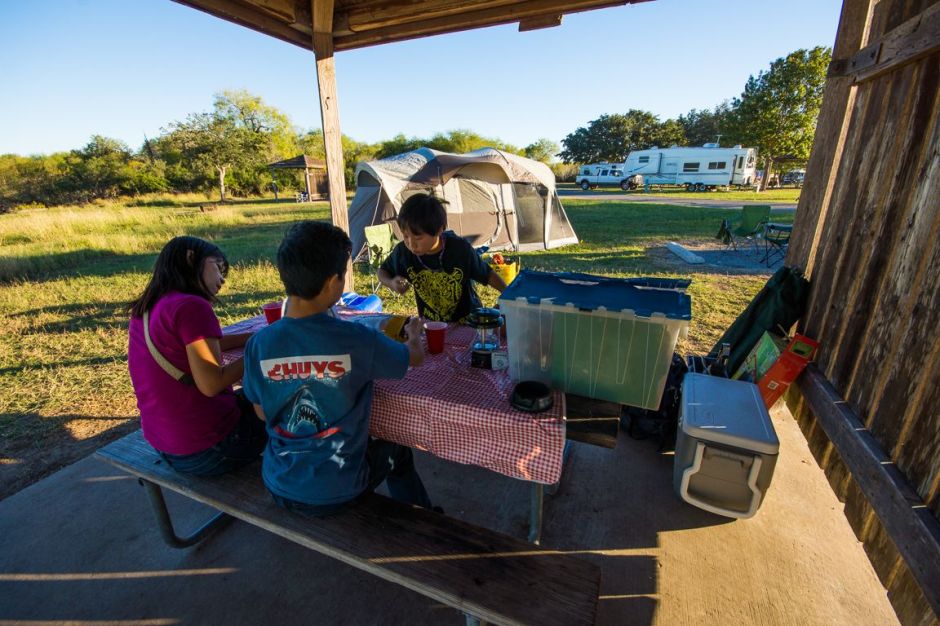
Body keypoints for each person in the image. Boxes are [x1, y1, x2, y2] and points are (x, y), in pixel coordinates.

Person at [242, 220, 433, 516]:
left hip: (279, 482)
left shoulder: (259, 343)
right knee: (398, 452)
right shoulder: (357, 340)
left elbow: (261, 411)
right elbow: (413, 359)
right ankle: (425, 520)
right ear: (333, 283)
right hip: (340, 488)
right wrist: (416, 334)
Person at [127, 236, 267, 476]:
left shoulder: (149, 307)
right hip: (210, 449)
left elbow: (203, 346)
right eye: (218, 267)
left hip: (167, 444)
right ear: (192, 258)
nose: (222, 279)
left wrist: (254, 336)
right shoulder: (191, 306)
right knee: (290, 397)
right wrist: (263, 349)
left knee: (258, 397)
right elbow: (211, 384)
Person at [377, 193, 506, 322]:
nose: (411, 244)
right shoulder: (403, 252)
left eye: (418, 237)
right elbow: (382, 271)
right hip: (431, 325)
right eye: (405, 236)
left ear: (439, 230)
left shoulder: (460, 250)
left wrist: (507, 297)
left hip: (468, 322)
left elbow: (488, 275)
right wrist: (391, 283)